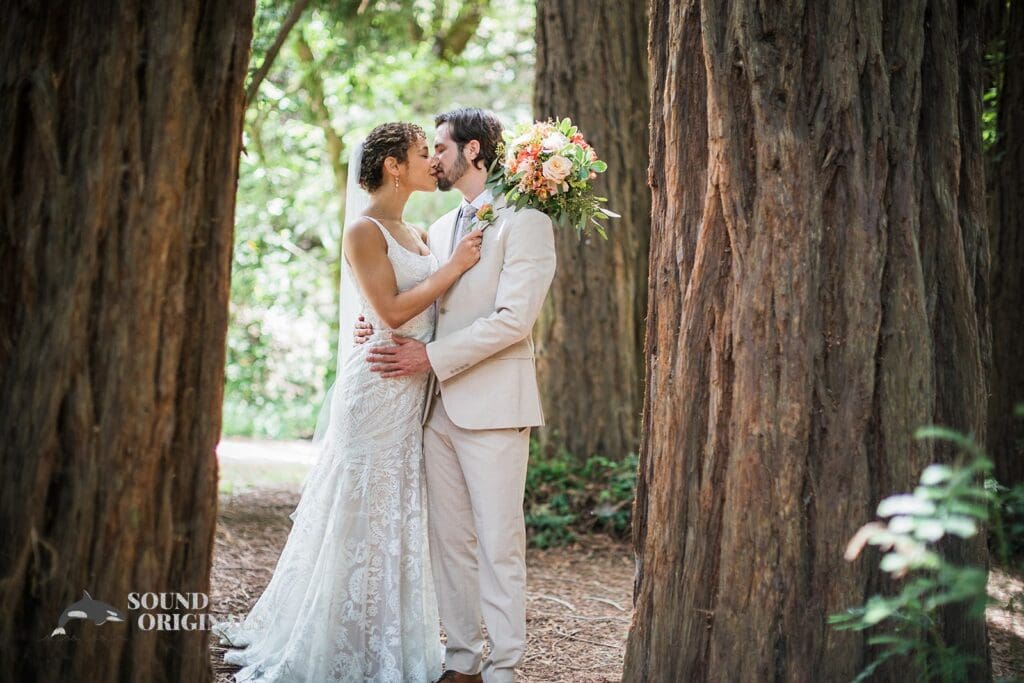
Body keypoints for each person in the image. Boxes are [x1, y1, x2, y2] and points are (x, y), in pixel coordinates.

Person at [211, 121, 484, 683]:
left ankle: (386, 638)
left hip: (412, 392)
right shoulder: (364, 231)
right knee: (357, 513)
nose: (432, 162)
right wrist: (453, 268)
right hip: (377, 389)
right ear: (392, 166)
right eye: (420, 153)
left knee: (397, 515)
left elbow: (422, 306)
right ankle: (334, 639)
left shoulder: (417, 233)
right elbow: (389, 311)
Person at [357, 108, 557, 683]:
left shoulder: (526, 221)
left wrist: (432, 357)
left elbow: (514, 319)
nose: (433, 158)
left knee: (499, 544)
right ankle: (463, 660)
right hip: (433, 407)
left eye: (440, 147)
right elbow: (421, 302)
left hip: (494, 407)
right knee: (450, 544)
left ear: (473, 151)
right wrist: (379, 326)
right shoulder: (441, 228)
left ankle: (504, 666)